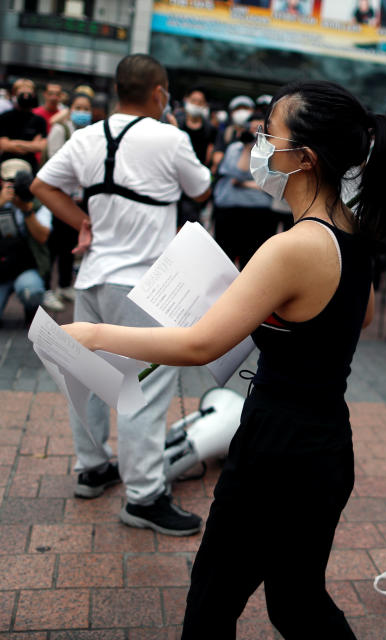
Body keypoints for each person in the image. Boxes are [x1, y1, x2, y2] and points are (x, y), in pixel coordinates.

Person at [58, 80, 386, 638]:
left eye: (270, 135)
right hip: (326, 446)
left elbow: (199, 345)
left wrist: (95, 333)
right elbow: (355, 316)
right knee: (297, 599)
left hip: (275, 451)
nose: (258, 146)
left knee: (213, 603)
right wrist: (266, 307)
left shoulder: (292, 247)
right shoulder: (351, 233)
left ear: (303, 158)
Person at [31, 54, 212, 536]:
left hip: (92, 278)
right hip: (145, 287)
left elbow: (41, 185)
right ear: (159, 92)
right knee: (143, 391)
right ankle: (145, 496)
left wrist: (82, 221)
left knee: (87, 378)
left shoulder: (86, 136)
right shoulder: (170, 137)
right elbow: (202, 186)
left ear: (116, 89)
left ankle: (92, 469)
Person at [42, 92, 93, 306]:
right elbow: (54, 162)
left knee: (70, 242)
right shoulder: (60, 129)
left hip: (78, 196)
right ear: (70, 109)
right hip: (59, 195)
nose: (82, 112)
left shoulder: (90, 133)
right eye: (78, 107)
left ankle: (64, 285)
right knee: (55, 243)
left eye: (86, 109)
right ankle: (47, 289)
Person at [212, 111, 277, 269]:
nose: (255, 132)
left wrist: (245, 184)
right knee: (223, 262)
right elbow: (237, 174)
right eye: (252, 128)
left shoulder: (274, 151)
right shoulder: (235, 148)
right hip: (230, 212)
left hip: (259, 214)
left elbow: (271, 183)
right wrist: (247, 148)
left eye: (259, 129)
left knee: (252, 264)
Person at [0, 159, 53, 325]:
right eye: (10, 182)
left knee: (32, 292)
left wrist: (26, 210)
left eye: (18, 183)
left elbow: (42, 237)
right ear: (2, 181)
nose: (14, 187)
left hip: (27, 267)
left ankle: (31, 309)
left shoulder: (37, 202)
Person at [176, 87, 217, 227]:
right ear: (186, 100)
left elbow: (210, 153)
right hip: (174, 178)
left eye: (200, 101)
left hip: (194, 178)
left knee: (189, 221)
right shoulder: (176, 123)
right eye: (193, 100)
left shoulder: (209, 128)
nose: (196, 104)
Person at [0, 78, 47, 172]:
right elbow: (4, 145)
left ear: (33, 95)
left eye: (29, 94)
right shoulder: (4, 117)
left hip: (30, 167)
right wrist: (30, 146)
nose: (25, 97)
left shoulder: (39, 120)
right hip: (5, 165)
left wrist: (14, 143)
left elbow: (41, 146)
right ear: (14, 94)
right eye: (22, 93)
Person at [212, 95, 255, 174]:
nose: (241, 112)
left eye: (245, 108)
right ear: (231, 112)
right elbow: (217, 156)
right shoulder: (226, 132)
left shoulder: (257, 133)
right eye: (238, 109)